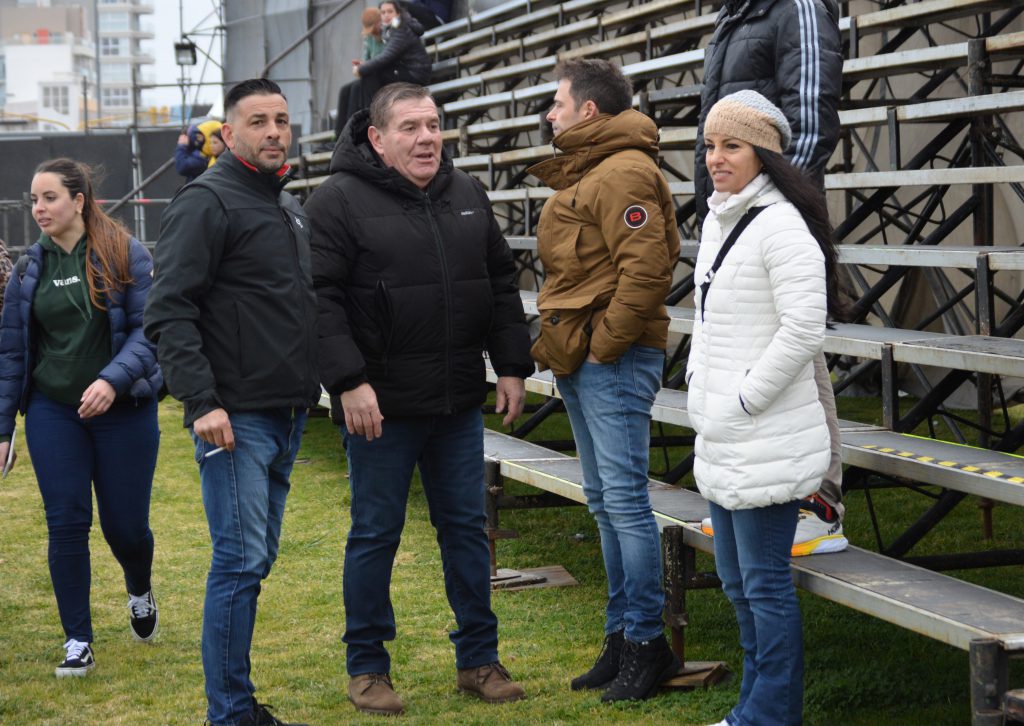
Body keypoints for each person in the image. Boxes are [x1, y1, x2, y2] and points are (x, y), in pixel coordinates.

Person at [304, 83, 533, 716]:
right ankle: (368, 667)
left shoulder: (466, 195)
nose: (427, 137)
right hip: (378, 406)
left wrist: (511, 365)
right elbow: (318, 299)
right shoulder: (336, 202)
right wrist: (348, 381)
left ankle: (479, 660)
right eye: (410, 127)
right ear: (377, 139)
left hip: (457, 400)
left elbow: (498, 281)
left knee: (465, 529)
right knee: (375, 533)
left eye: (433, 125)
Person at [144, 78, 319, 726]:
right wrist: (201, 401)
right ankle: (230, 713)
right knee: (240, 561)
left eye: (281, 119)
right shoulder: (207, 201)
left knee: (255, 559)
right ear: (230, 133)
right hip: (233, 417)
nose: (274, 131)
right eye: (257, 121)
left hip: (285, 411)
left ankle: (236, 704)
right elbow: (168, 312)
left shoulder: (288, 207)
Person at [688, 91, 844, 726]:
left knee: (764, 585)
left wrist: (746, 397)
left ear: (766, 155)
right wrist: (706, 387)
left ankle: (771, 715)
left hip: (765, 435)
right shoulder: (719, 219)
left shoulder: (781, 226)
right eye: (709, 146)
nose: (715, 158)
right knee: (736, 583)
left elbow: (805, 331)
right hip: (725, 433)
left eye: (732, 146)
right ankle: (753, 705)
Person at [527, 58, 681, 702]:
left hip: (608, 359)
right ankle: (622, 637)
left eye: (557, 103)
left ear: (589, 110)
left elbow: (646, 268)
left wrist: (603, 348)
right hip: (586, 356)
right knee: (604, 501)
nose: (549, 114)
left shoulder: (622, 170)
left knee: (624, 503)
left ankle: (648, 643)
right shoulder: (597, 168)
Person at [695, 0, 848, 556]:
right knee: (755, 356)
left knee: (802, 360)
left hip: (770, 213)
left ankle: (820, 502)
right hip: (737, 214)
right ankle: (761, 497)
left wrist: (769, 202)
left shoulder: (798, 6)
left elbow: (811, 114)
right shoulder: (735, 14)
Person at [0, 158, 163, 678]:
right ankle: (78, 639)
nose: (38, 209)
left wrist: (112, 380)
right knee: (66, 522)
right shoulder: (28, 269)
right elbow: (10, 356)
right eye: (33, 200)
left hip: (124, 413)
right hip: (53, 412)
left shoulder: (124, 253)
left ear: (79, 200)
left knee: (125, 528)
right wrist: (3, 430)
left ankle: (139, 587)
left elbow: (149, 331)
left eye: (49, 198)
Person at [334, 1, 431, 137]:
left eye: (390, 12)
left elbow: (386, 57)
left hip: (415, 74)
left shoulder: (401, 28)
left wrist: (361, 69)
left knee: (370, 77)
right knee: (347, 89)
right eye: (383, 12)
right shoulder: (391, 28)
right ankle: (343, 135)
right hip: (402, 71)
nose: (386, 15)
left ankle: (369, 125)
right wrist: (363, 66)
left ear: (398, 12)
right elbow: (383, 58)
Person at [174, 119, 224, 183]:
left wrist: (182, 147)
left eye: (215, 142)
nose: (212, 146)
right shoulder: (203, 154)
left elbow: (182, 167)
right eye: (211, 142)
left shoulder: (206, 160)